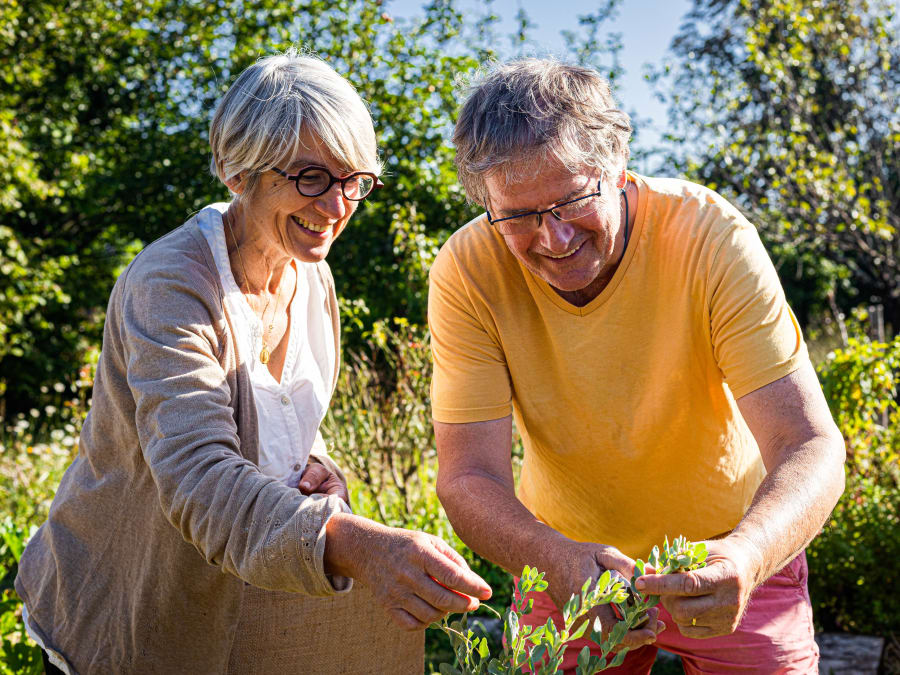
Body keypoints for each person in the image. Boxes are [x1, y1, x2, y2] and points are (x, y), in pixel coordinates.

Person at [16, 50, 490, 675]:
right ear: (237, 173)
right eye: (311, 177)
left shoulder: (311, 276)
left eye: (354, 180)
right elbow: (198, 476)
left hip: (243, 602)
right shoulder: (172, 285)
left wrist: (314, 466)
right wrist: (350, 542)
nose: (337, 206)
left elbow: (281, 412)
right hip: (129, 603)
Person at [429, 58, 845, 673]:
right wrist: (557, 560)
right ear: (486, 202)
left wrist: (748, 555)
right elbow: (469, 478)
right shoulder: (468, 270)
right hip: (563, 556)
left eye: (572, 201)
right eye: (518, 217)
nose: (554, 238)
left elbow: (810, 444)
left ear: (617, 168)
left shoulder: (711, 236)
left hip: (733, 549)